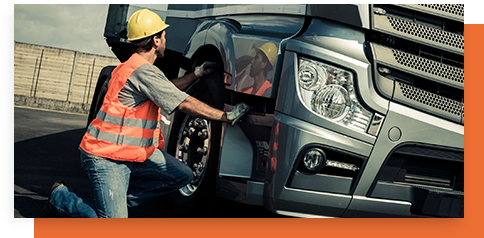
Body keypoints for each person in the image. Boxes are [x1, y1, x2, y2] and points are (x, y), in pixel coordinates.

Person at [43, 9, 249, 218]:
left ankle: (113, 204)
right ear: (156, 40)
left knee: (181, 174)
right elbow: (182, 102)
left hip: (133, 153)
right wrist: (225, 116)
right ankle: (60, 198)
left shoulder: (135, 67)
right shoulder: (142, 71)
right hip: (106, 156)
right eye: (163, 35)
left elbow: (166, 89)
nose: (166, 39)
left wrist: (195, 75)